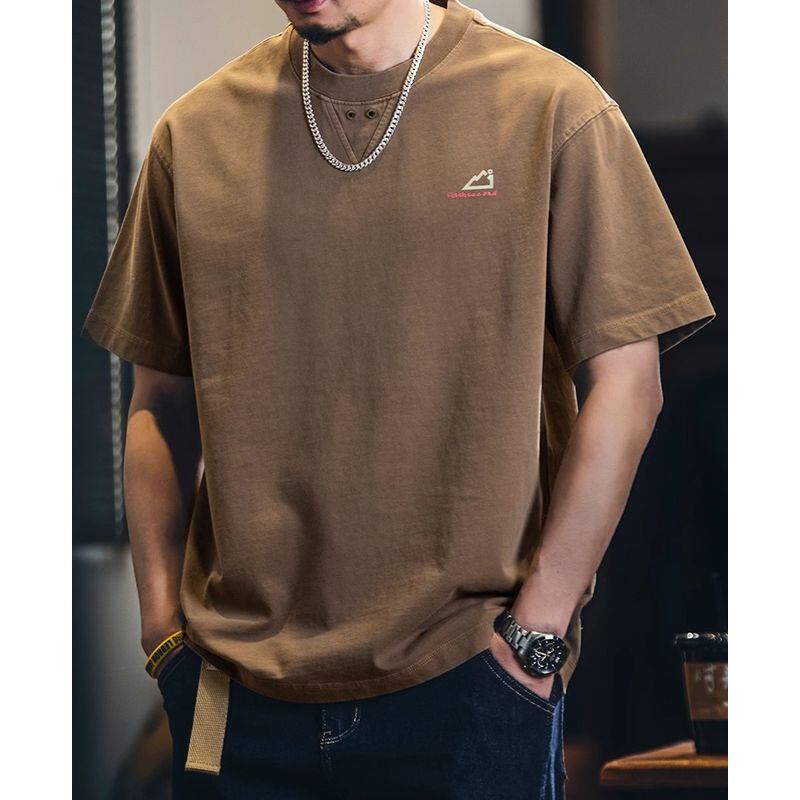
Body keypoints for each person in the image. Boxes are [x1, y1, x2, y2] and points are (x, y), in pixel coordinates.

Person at [81, 1, 716, 797]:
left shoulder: (551, 108)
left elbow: (628, 383)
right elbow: (158, 405)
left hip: (470, 681)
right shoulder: (197, 134)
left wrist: (537, 632)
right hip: (235, 690)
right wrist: (161, 629)